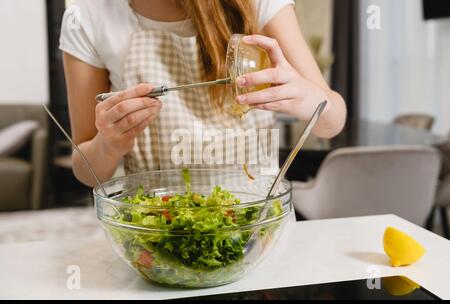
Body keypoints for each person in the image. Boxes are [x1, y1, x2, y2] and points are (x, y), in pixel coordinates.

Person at [60, 0, 347, 187]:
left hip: (259, 232)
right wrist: (108, 145)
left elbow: (332, 123)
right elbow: (86, 171)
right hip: (159, 237)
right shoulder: (87, 16)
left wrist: (309, 99)